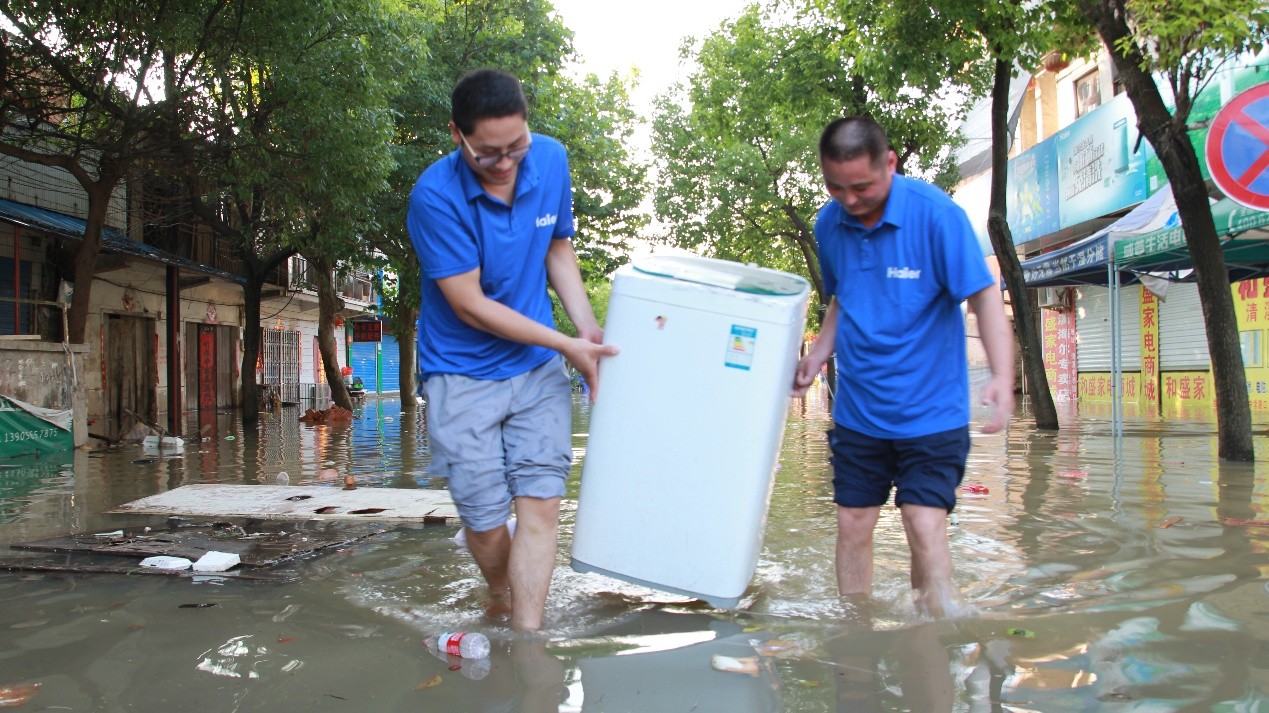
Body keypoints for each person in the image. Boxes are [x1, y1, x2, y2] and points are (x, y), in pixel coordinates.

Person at [407, 68, 617, 632]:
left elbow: (557, 246)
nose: (506, 164)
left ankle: (528, 640)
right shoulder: (434, 197)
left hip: (534, 368)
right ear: (458, 135)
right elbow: (469, 304)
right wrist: (565, 343)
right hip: (460, 373)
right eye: (489, 154)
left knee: (542, 503)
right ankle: (499, 588)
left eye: (516, 147)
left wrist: (587, 328)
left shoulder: (550, 159)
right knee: (483, 521)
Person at [792, 116, 1015, 618]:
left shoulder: (937, 216)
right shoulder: (829, 223)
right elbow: (842, 298)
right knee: (852, 523)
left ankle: (934, 628)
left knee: (921, 520)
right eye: (836, 187)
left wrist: (1003, 375)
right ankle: (855, 636)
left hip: (931, 412)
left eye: (863, 186)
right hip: (859, 413)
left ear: (889, 163)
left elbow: (982, 296)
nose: (849, 200)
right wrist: (817, 354)